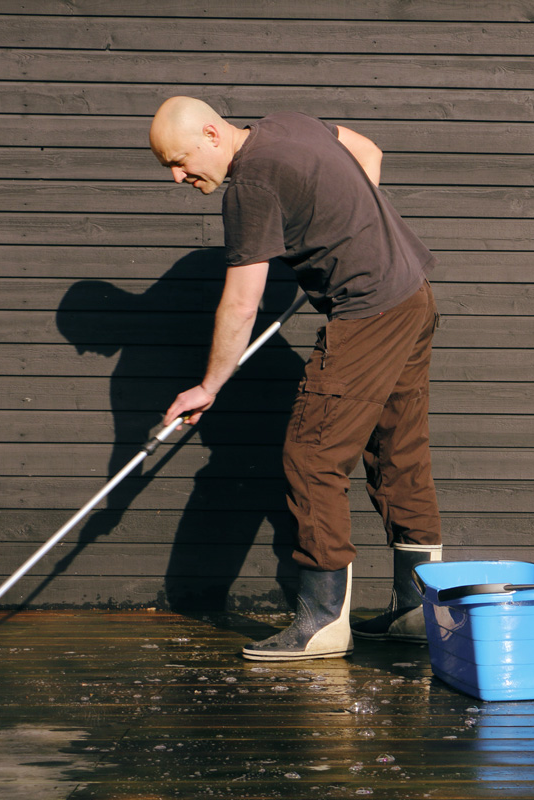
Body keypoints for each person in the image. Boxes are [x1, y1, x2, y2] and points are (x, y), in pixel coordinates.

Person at [149, 97, 442, 661]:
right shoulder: (287, 123)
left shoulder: (250, 186)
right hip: (412, 295)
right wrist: (352, 224)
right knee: (399, 452)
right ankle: (417, 610)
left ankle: (323, 621)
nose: (179, 176)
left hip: (370, 312)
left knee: (312, 457)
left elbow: (241, 302)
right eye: (169, 167)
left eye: (181, 161)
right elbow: (366, 150)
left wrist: (209, 385)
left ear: (212, 134)